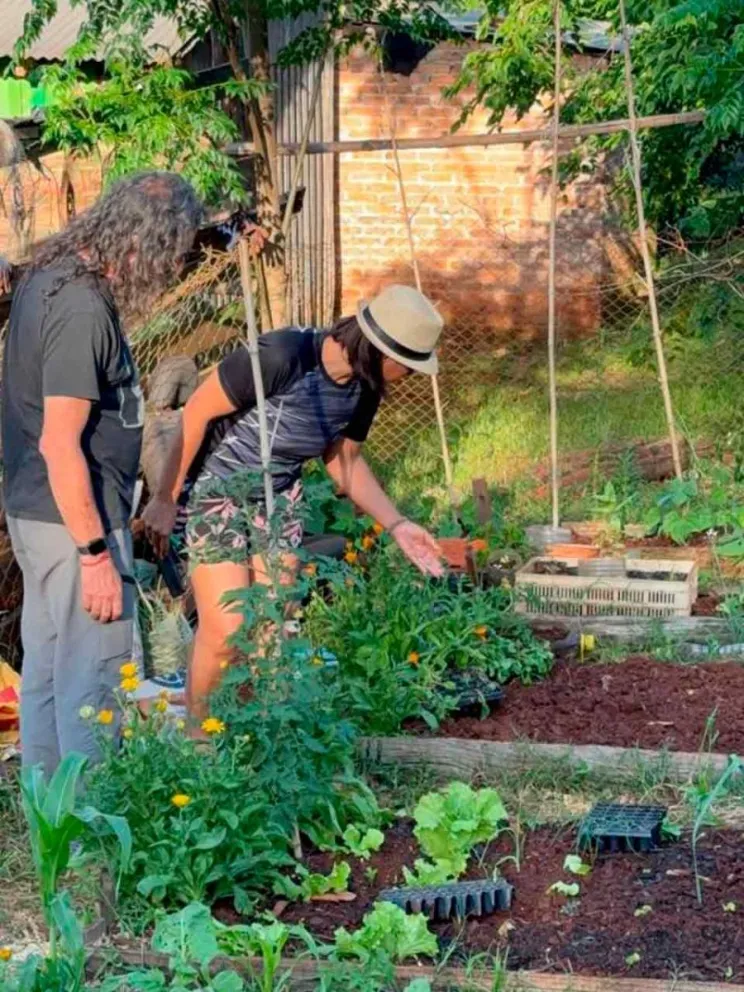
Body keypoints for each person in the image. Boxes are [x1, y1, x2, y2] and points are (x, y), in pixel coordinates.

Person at [143, 284, 445, 723]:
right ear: (388, 356)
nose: (412, 376)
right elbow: (196, 413)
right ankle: (200, 743)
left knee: (270, 628)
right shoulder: (283, 356)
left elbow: (344, 463)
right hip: (218, 490)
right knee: (227, 629)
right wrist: (166, 498)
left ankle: (246, 731)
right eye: (412, 367)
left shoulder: (364, 389)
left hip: (278, 495)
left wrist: (397, 525)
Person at [2, 172, 203, 775]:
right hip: (71, 522)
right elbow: (61, 444)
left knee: (47, 673)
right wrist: (94, 556)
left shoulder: (50, 272)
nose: (170, 269)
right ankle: (92, 848)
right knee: (92, 686)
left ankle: (53, 833)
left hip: (38, 513)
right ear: (143, 243)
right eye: (171, 253)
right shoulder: (82, 309)